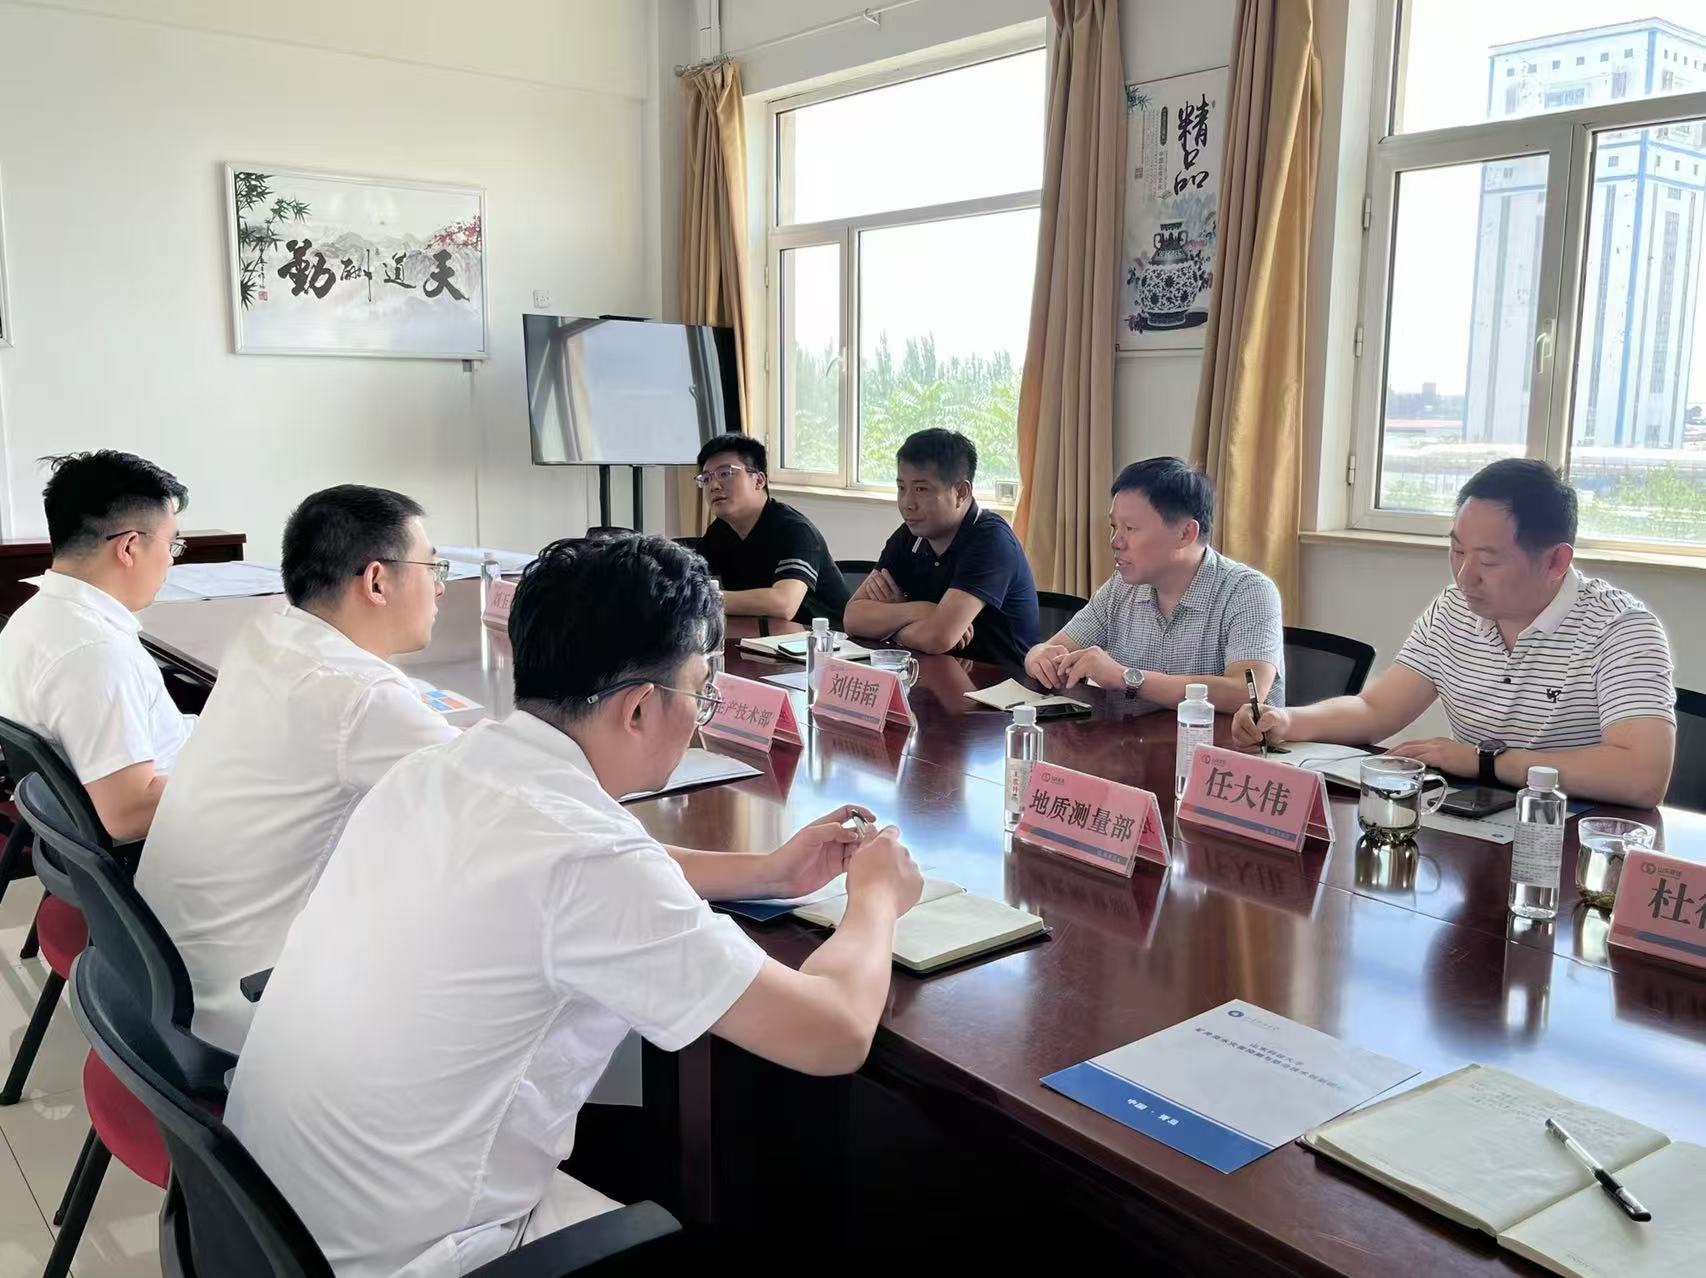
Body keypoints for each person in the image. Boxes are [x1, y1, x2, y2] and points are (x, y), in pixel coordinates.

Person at [226, 534, 922, 1278]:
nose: (702, 715)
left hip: (254, 1225)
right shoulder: (587, 860)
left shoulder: (440, 767)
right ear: (639, 707)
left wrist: (767, 873)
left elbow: (583, 869)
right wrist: (875, 898)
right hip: (406, 1256)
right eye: (701, 692)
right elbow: (833, 1032)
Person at [136, 485, 458, 1054]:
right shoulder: (361, 696)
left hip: (155, 969)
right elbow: (501, 800)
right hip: (247, 1002)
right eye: (432, 568)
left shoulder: (267, 633)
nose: (439, 587)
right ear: (377, 581)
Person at [1233, 459, 1676, 807]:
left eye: (1488, 561)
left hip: (1574, 839)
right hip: (1475, 819)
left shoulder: (1620, 629)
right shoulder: (1453, 610)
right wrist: (1288, 721)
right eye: (1457, 550)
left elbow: (1642, 776)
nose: (1465, 576)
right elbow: (1375, 709)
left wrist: (1486, 762)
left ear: (1555, 561)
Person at [0, 451, 193, 840]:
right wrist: (250, 774)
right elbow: (129, 814)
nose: (171, 561)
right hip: (174, 841)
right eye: (172, 544)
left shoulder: (35, 615)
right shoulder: (96, 654)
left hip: (175, 771)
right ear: (129, 547)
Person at [1022, 457, 1284, 710]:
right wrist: (1038, 657)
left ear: (1185, 533)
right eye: (1113, 526)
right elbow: (1050, 648)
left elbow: (1246, 692)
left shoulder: (1249, 591)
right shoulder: (1120, 588)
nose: (1115, 541)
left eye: (1130, 528)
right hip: (1133, 739)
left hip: (1215, 741)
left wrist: (1126, 678)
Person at [844, 429, 1039, 668]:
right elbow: (853, 618)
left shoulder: (991, 540)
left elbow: (938, 638)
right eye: (901, 488)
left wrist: (889, 627)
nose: (907, 503)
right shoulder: (910, 535)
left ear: (961, 492)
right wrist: (923, 611)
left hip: (1000, 682)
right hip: (933, 672)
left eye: (921, 489)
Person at [694, 433, 850, 626]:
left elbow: (783, 604)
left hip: (825, 639)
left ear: (759, 480)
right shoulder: (720, 531)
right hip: (763, 637)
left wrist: (706, 599)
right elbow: (691, 579)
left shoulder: (795, 530)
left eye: (725, 473)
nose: (714, 486)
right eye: (706, 479)